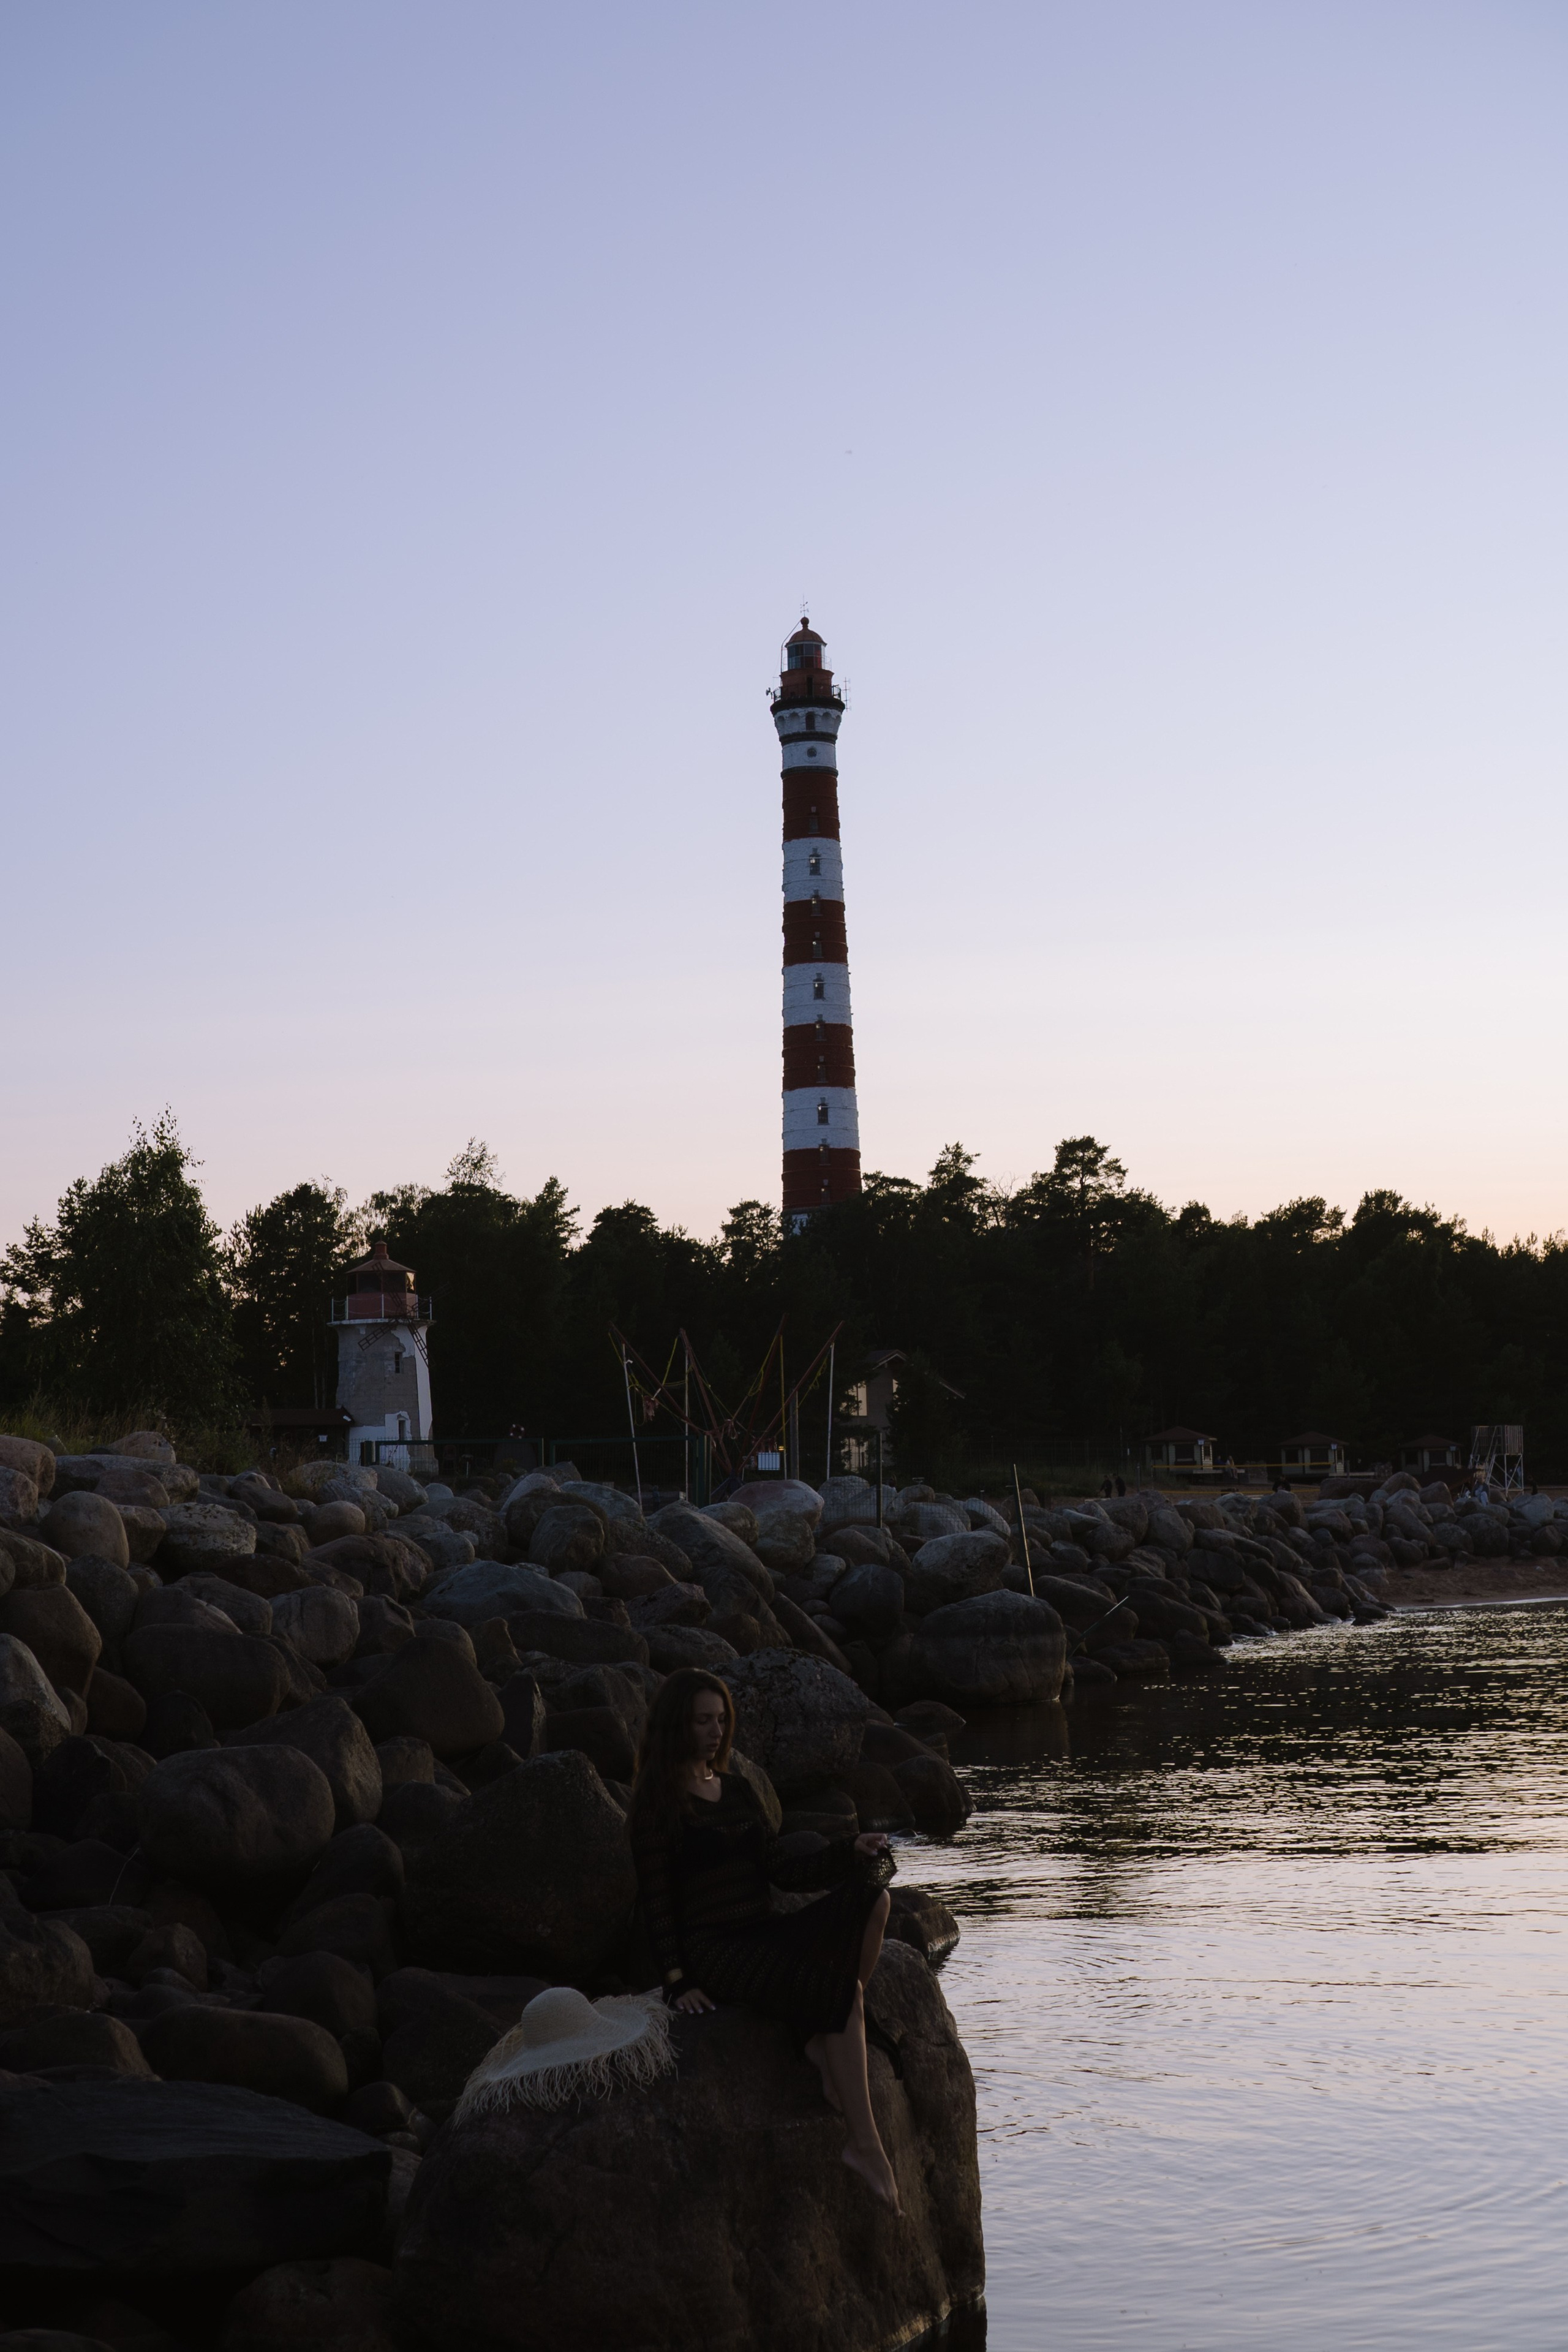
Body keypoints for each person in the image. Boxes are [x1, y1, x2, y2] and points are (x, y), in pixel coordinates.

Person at [628, 1667, 902, 2212]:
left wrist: (850, 1851)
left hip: (762, 1931)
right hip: (715, 1952)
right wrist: (677, 1980)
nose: (715, 1730)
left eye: (721, 1719)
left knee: (877, 1899)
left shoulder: (737, 1789)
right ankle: (865, 2146)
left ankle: (828, 2037)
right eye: (703, 1720)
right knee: (845, 1994)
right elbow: (656, 1903)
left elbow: (782, 1870)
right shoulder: (657, 1805)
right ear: (676, 1726)